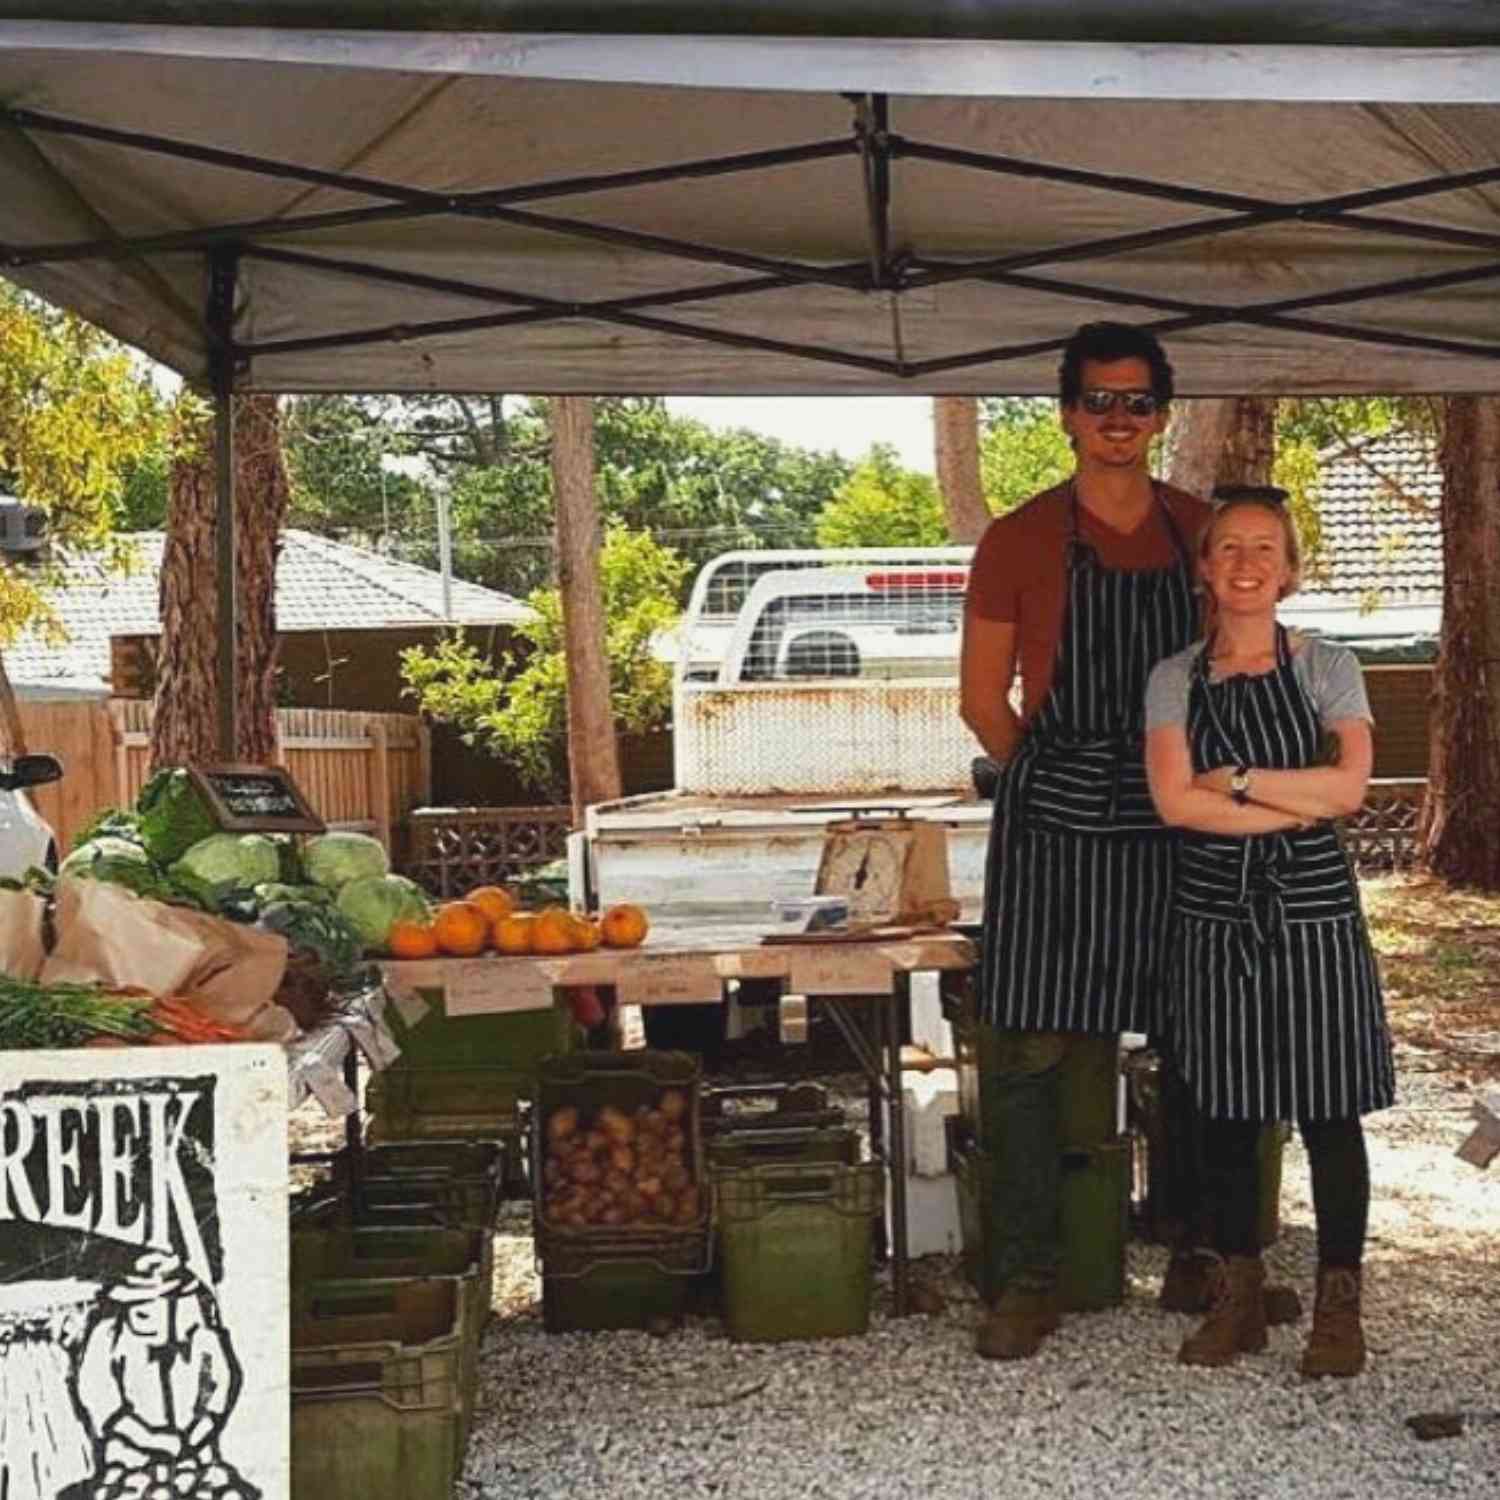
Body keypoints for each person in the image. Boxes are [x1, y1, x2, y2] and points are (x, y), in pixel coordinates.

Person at [959, 320, 1213, 1360]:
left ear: (1162, 414)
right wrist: (1051, 778)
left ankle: (1205, 1251)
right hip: (1054, 821)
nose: (1118, 419)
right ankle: (1025, 1276)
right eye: (1099, 401)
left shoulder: (1203, 531)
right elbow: (982, 702)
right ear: (1066, 414)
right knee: (1025, 1050)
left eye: (1138, 401)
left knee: (1199, 1041)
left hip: (1176, 813)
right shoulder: (1017, 538)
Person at [1144, 487, 1395, 1376]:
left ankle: (1339, 1304)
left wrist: (1241, 781)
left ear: (1288, 570)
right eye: (1229, 549)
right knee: (1224, 1109)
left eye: (1265, 549)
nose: (1246, 564)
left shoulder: (1331, 665)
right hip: (1213, 913)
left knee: (1331, 1110)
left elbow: (1352, 790)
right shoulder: (1174, 677)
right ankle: (1239, 1294)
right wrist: (1295, 800)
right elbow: (1176, 802)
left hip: (1317, 912)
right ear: (1204, 568)